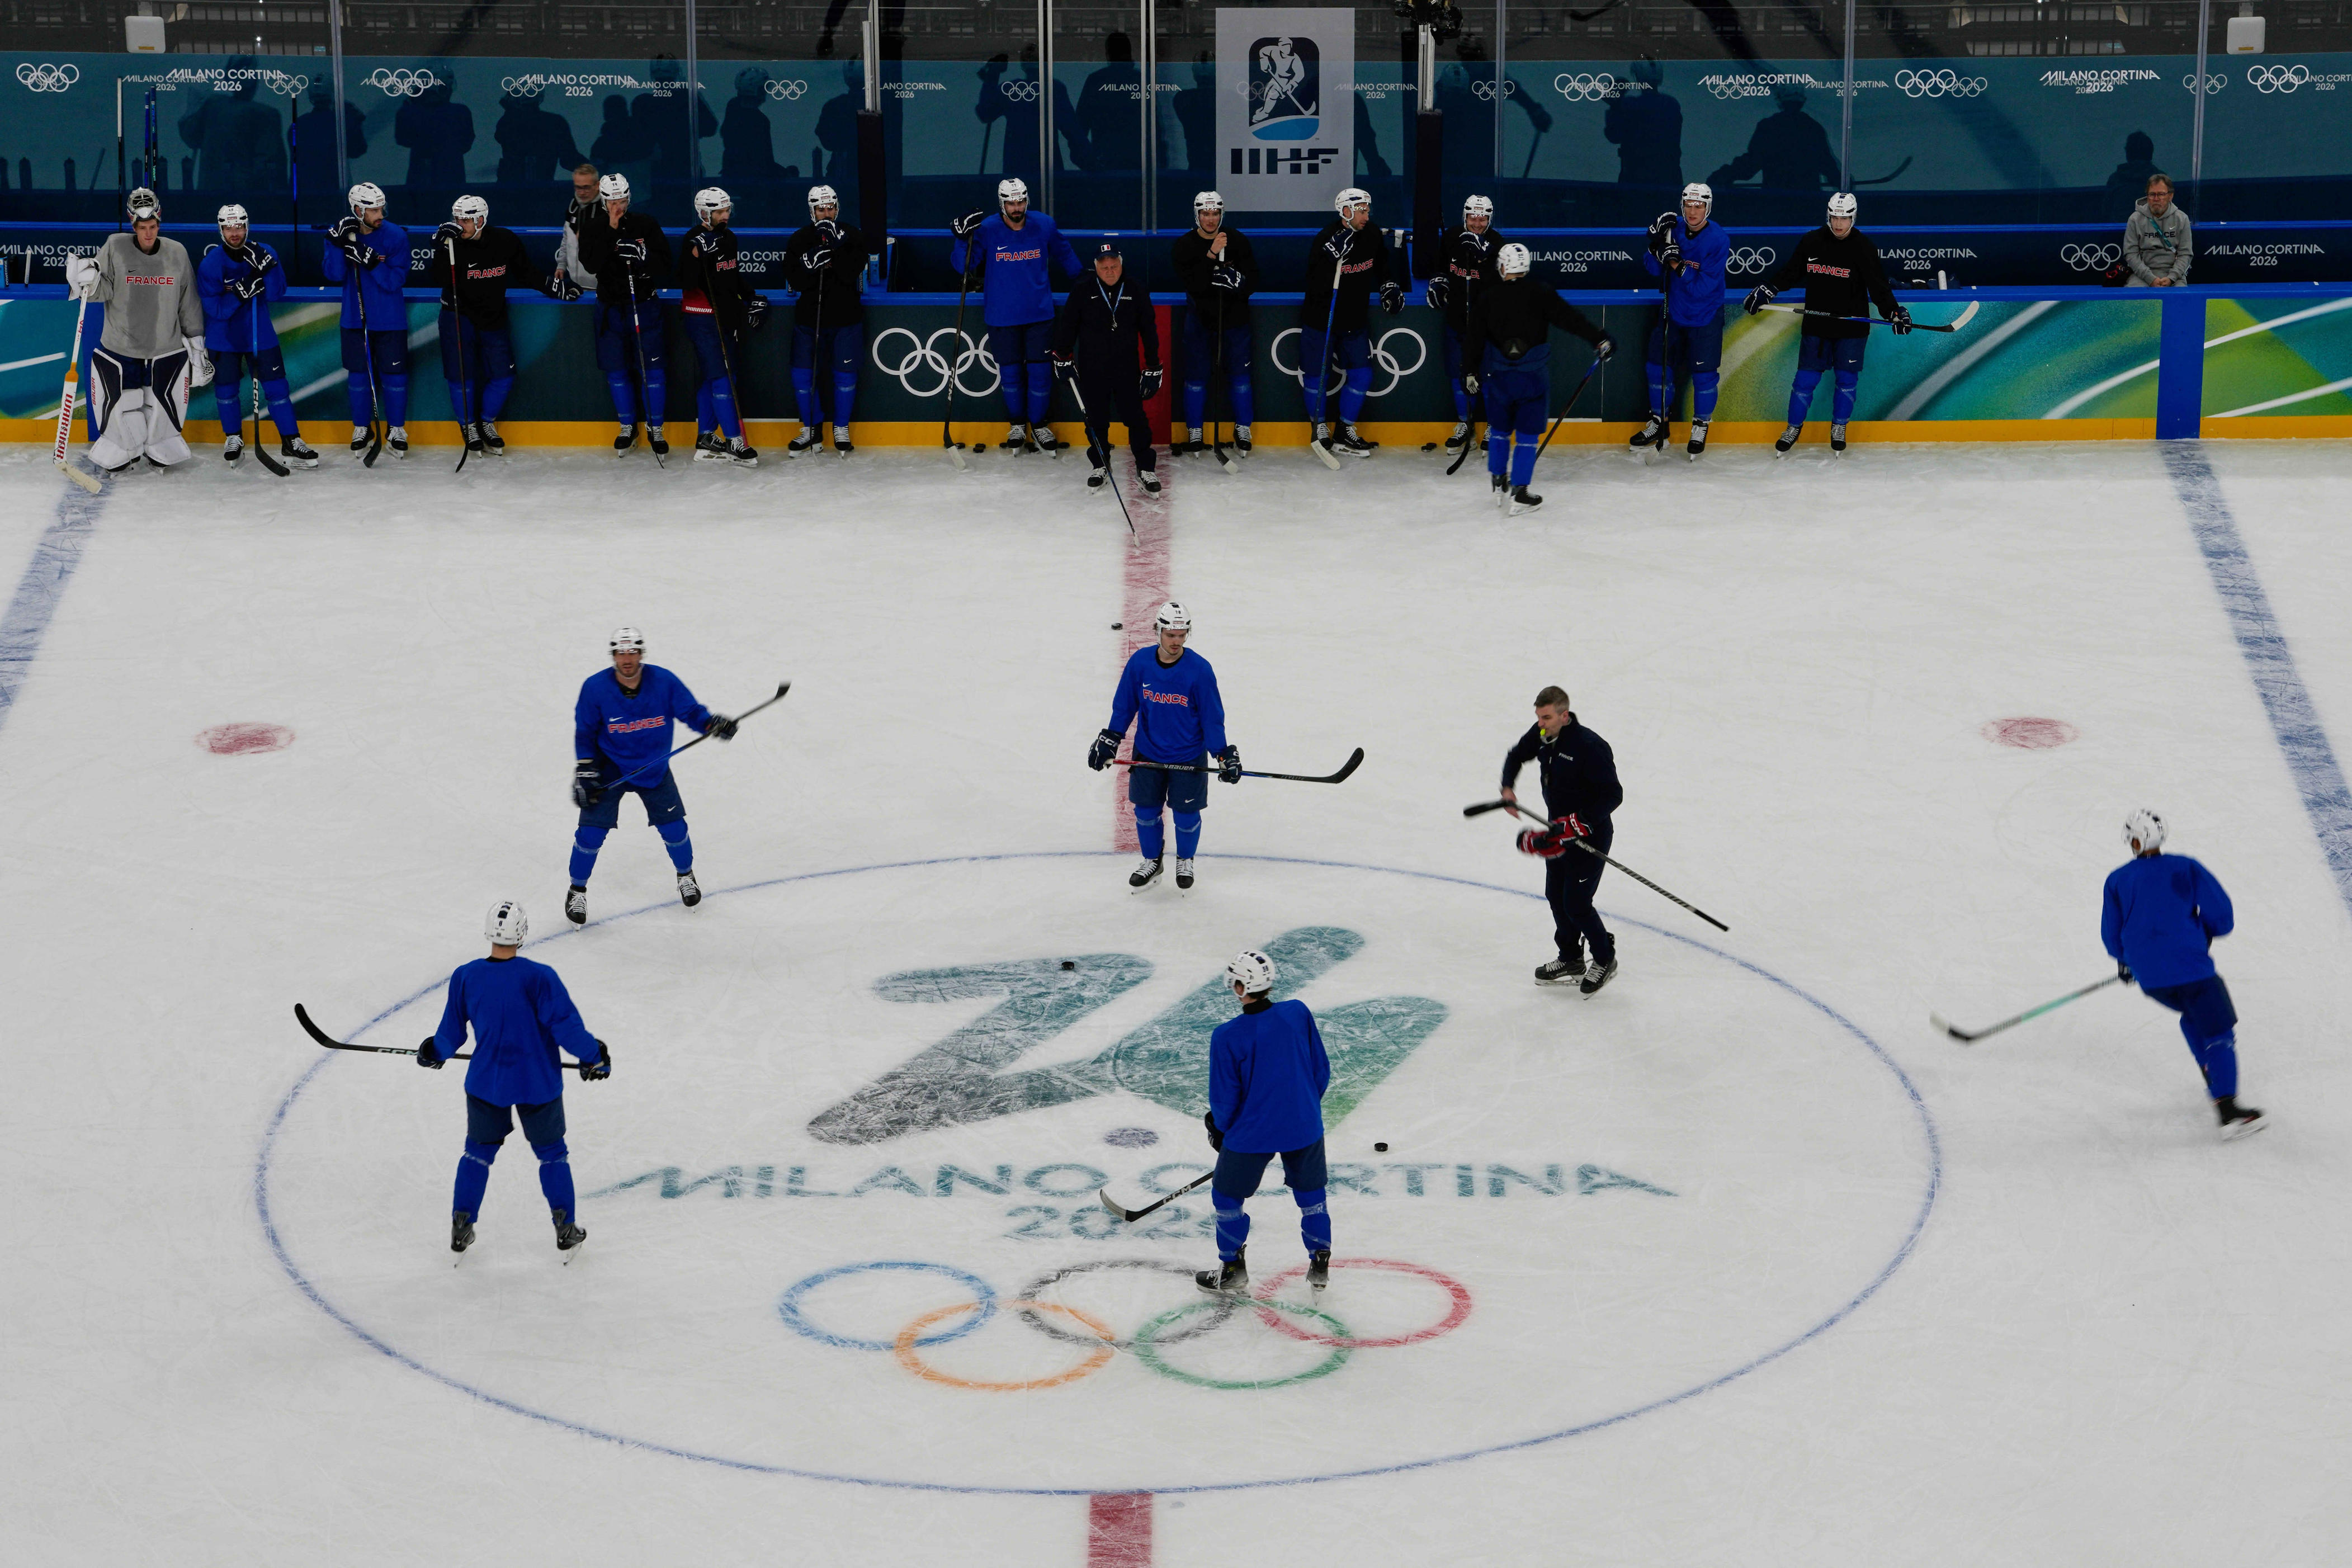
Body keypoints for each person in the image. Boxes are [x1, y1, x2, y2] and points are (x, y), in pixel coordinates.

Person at [422, 899, 613, 1258]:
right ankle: (565, 1227)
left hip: (486, 1083)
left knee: (477, 1154)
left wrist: (434, 1051)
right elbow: (567, 1029)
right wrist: (594, 1057)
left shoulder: (466, 976)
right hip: (537, 1082)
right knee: (552, 1155)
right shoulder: (539, 977)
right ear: (522, 933)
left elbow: (450, 1034)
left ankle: (462, 1225)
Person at [2103, 810, 2263, 1139]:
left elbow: (2111, 935)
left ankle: (2211, 1073)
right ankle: (2229, 1112)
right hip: (2192, 969)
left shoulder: (2117, 880)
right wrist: (2204, 931)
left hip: (2152, 980)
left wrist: (2126, 962)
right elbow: (2222, 917)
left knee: (2193, 1016)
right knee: (2218, 1031)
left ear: (2133, 841)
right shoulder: (2185, 868)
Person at [568, 627, 736, 924]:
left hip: (653, 766)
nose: (627, 659)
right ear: (613, 656)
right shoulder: (595, 688)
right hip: (610, 766)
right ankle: (577, 890)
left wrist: (711, 724)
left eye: (632, 652)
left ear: (641, 653)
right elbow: (585, 732)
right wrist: (585, 768)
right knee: (590, 833)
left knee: (674, 828)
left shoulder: (664, 681)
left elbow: (691, 712)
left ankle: (686, 876)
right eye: (621, 653)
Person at [1196, 948, 1333, 1297]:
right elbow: (1320, 1069)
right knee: (1312, 1195)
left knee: (1226, 1196)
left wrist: (1220, 1129)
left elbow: (1225, 1098)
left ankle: (1232, 1270)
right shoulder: (1298, 1012)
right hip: (1304, 1124)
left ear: (1240, 987)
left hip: (1252, 1133)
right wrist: (1302, 1107)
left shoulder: (1226, 1035)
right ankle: (1320, 1261)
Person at [1744, 191, 1910, 457]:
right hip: (1817, 325)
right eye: (1834, 217)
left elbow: (1879, 288)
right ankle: (1793, 428)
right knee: (1804, 381)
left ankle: (1839, 427)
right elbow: (1791, 272)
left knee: (1846, 380)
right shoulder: (1812, 241)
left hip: (1852, 328)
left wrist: (1894, 313)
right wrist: (1768, 289)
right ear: (1828, 216)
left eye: (1844, 218)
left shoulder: (1864, 247)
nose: (1839, 224)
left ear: (1853, 218)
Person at [1088, 601, 1237, 892]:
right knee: (1145, 813)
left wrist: (1222, 754)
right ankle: (1152, 860)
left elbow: (1212, 718)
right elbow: (1124, 706)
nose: (1176, 642)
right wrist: (1111, 738)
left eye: (1182, 635)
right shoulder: (1140, 663)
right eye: (1171, 635)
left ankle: (1185, 859)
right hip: (1148, 752)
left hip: (1188, 756)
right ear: (1158, 631)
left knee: (1186, 816)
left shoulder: (1200, 670)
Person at [62, 187, 207, 473]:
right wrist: (85, 281)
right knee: (123, 407)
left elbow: (188, 302)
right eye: (143, 228)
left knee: (160, 408)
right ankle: (122, 449)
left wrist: (197, 346)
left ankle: (161, 447)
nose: (148, 233)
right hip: (121, 347)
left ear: (159, 223)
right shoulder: (115, 246)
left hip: (165, 349)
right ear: (133, 225)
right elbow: (101, 291)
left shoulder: (177, 252)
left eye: (153, 227)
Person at [1463, 243, 1612, 516]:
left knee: (1499, 430)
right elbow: (1571, 319)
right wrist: (1599, 339)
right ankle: (1520, 492)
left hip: (1500, 378)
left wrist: (1469, 371)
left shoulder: (1487, 297)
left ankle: (1498, 479)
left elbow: (1473, 338)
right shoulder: (1541, 292)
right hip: (1532, 380)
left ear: (1503, 266)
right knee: (1527, 437)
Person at [434, 194, 582, 456]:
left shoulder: (504, 240)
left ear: (481, 220)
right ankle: (468, 426)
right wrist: (442, 249)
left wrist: (555, 288)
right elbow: (439, 278)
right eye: (457, 219)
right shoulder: (451, 244)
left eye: (466, 220)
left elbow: (527, 273)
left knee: (504, 376)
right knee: (461, 377)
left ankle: (486, 422)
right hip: (457, 317)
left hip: (493, 317)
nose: (459, 225)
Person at [1499, 684, 1623, 994]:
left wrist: (1579, 822)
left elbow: (1613, 795)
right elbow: (1517, 755)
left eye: (1547, 718)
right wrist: (1508, 787)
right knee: (1555, 896)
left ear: (1564, 715)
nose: (1540, 724)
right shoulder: (1543, 735)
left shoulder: (1590, 746)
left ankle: (1604, 958)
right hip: (1558, 832)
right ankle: (1571, 958)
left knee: (1577, 904)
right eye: (1538, 717)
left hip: (1590, 835)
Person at [950, 178, 1083, 455]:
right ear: (1002, 204)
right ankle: (1017, 424)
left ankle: (1039, 425)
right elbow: (964, 266)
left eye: (1021, 201)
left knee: (1040, 373)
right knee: (1010, 374)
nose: (1017, 208)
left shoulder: (1044, 224)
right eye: (1011, 203)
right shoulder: (987, 229)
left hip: (1039, 314)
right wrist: (962, 239)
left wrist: (1082, 281)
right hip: (1002, 316)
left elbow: (1065, 253)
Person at [196, 204, 315, 469]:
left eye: (239, 227)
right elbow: (216, 310)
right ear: (221, 230)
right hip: (224, 338)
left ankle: (291, 440)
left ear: (247, 227)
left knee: (277, 389)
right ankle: (233, 438)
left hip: (259, 333)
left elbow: (275, 293)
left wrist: (267, 269)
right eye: (229, 228)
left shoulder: (265, 252)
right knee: (226, 391)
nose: (234, 233)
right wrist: (241, 293)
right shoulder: (211, 264)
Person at [1299, 187, 1403, 459]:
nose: (1367, 216)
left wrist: (1388, 283)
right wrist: (1330, 258)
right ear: (1346, 212)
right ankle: (1319, 427)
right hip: (1321, 320)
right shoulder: (1326, 239)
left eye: (1368, 210)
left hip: (1353, 320)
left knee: (1362, 375)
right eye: (1361, 211)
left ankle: (1345, 431)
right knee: (1316, 377)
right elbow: (1313, 281)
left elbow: (1381, 263)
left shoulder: (1371, 234)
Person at [574, 172, 674, 456]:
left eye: (623, 200)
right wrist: (612, 230)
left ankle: (656, 428)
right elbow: (591, 264)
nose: (618, 206)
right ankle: (627, 426)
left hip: (644, 306)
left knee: (653, 372)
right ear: (603, 201)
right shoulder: (593, 226)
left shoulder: (646, 223)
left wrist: (643, 256)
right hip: (611, 309)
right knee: (617, 371)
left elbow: (665, 264)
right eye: (613, 201)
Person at [1054, 240, 1163, 496]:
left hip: (1127, 368)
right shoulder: (1083, 289)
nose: (1110, 272)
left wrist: (1153, 365)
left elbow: (1149, 330)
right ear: (1096, 267)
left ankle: (1145, 467)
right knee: (1096, 419)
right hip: (1093, 368)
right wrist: (1062, 356)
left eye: (1114, 266)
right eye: (1104, 268)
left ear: (1121, 265)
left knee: (1136, 419)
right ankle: (1100, 464)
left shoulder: (1135, 288)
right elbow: (1068, 326)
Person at [1632, 182, 1728, 459]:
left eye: (1699, 206)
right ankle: (1659, 423)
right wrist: (1656, 246)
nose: (1693, 211)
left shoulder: (1718, 239)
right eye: (1689, 205)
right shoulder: (1673, 230)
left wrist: (1675, 263)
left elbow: (1701, 289)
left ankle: (1700, 426)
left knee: (1705, 376)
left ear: (1708, 208)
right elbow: (1652, 269)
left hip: (1705, 316)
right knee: (1656, 368)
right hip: (1673, 313)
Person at [321, 182, 413, 458]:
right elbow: (334, 275)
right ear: (358, 210)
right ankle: (362, 427)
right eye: (373, 210)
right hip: (354, 319)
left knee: (395, 377)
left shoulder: (396, 236)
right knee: (359, 377)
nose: (380, 214)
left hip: (390, 320)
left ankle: (396, 429)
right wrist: (337, 244)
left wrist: (372, 263)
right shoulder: (341, 235)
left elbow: (394, 281)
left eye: (381, 208)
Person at [677, 185, 766, 466]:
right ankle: (734, 441)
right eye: (720, 212)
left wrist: (752, 296)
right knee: (722, 379)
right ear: (705, 214)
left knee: (718, 376)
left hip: (725, 317)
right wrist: (697, 254)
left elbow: (731, 277)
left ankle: (706, 436)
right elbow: (685, 281)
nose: (726, 215)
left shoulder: (729, 238)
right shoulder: (692, 239)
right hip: (702, 317)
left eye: (728, 210)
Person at [1168, 190, 1257, 457]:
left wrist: (1238, 282)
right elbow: (1192, 283)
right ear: (1197, 215)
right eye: (1205, 213)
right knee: (1196, 379)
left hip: (1235, 321)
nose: (1210, 219)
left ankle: (1243, 428)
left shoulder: (1237, 240)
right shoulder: (1185, 245)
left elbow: (1254, 279)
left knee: (1240, 378)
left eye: (1215, 213)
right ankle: (1195, 429)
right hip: (1200, 322)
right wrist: (1211, 255)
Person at [780, 183, 865, 457]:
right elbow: (795, 280)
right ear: (812, 211)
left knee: (845, 377)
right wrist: (808, 265)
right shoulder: (800, 238)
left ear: (837, 208)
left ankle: (841, 427)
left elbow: (852, 272)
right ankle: (811, 428)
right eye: (820, 209)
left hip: (846, 318)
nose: (826, 214)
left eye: (830, 208)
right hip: (810, 318)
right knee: (803, 376)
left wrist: (837, 250)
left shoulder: (852, 234)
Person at [1428, 194, 1506, 457]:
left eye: (1483, 218)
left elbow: (1506, 284)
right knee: (1458, 375)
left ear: (1490, 219)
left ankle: (1494, 427)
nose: (1477, 223)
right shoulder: (1452, 237)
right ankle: (1466, 424)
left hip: (1487, 327)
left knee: (1489, 377)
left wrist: (1485, 257)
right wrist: (1439, 282)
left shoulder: (1498, 243)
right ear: (1465, 216)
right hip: (1457, 321)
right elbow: (1441, 267)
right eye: (1473, 217)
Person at [177, 58, 285, 193]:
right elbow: (269, 164)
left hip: (209, 193)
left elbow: (191, 138)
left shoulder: (211, 106)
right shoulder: (267, 115)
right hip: (247, 195)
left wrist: (193, 108)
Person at [1708, 83, 1838, 192]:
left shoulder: (1769, 127)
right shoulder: (1813, 129)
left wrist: (1723, 176)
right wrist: (1842, 184)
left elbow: (1751, 164)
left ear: (1780, 101)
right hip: (1808, 205)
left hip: (1776, 202)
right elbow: (1828, 165)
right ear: (1803, 101)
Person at [1604, 56, 1683, 191]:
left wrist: (1614, 107)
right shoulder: (1671, 104)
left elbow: (1614, 136)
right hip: (1669, 178)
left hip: (1634, 177)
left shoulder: (1629, 105)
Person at [493, 84, 584, 186]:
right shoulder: (554, 122)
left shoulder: (508, 122)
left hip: (510, 189)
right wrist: (594, 169)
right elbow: (569, 159)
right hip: (542, 189)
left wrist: (510, 109)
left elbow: (501, 135)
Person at [395, 75, 475, 190]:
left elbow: (403, 139)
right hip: (453, 177)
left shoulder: (412, 113)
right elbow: (466, 143)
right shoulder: (460, 112)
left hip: (421, 179)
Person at [720, 67, 788, 185]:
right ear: (756, 90)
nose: (766, 92)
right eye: (763, 88)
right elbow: (764, 159)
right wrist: (785, 173)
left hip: (732, 176)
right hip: (752, 182)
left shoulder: (733, 107)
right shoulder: (759, 121)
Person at [2124, 173, 2193, 287]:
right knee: (2135, 294)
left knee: (2180, 295)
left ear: (2170, 196)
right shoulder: (2135, 219)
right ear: (2147, 196)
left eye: (2161, 194)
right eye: (2152, 194)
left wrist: (2172, 278)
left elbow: (2186, 254)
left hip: (2174, 276)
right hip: (2141, 276)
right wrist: (2150, 278)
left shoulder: (2182, 219)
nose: (2156, 199)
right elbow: (2131, 254)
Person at [554, 162, 600, 291]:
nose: (582, 193)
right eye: (578, 188)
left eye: (586, 188)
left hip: (602, 288)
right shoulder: (573, 207)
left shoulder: (608, 211)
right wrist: (561, 266)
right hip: (576, 285)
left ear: (597, 185)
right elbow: (566, 239)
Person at [2103, 131, 2161, 209]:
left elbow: (2106, 209)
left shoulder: (2115, 180)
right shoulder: (2162, 180)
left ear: (2128, 153)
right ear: (2151, 152)